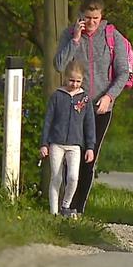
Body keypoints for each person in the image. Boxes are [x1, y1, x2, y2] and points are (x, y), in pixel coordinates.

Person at [54, 0, 129, 215]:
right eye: (87, 18)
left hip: (100, 107)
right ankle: (64, 205)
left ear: (101, 16)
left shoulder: (111, 35)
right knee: (69, 156)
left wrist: (109, 96)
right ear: (80, 16)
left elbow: (124, 71)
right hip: (75, 107)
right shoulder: (69, 35)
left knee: (89, 155)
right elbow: (59, 65)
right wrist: (76, 40)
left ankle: (77, 209)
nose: (91, 23)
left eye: (95, 18)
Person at [40, 60, 96, 217]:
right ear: (65, 78)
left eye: (78, 81)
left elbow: (89, 124)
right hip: (56, 143)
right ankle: (53, 212)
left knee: (73, 177)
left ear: (82, 81)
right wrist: (44, 144)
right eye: (72, 80)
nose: (74, 84)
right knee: (56, 177)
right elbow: (48, 121)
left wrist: (90, 147)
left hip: (75, 144)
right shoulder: (57, 96)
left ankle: (66, 205)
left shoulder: (85, 99)